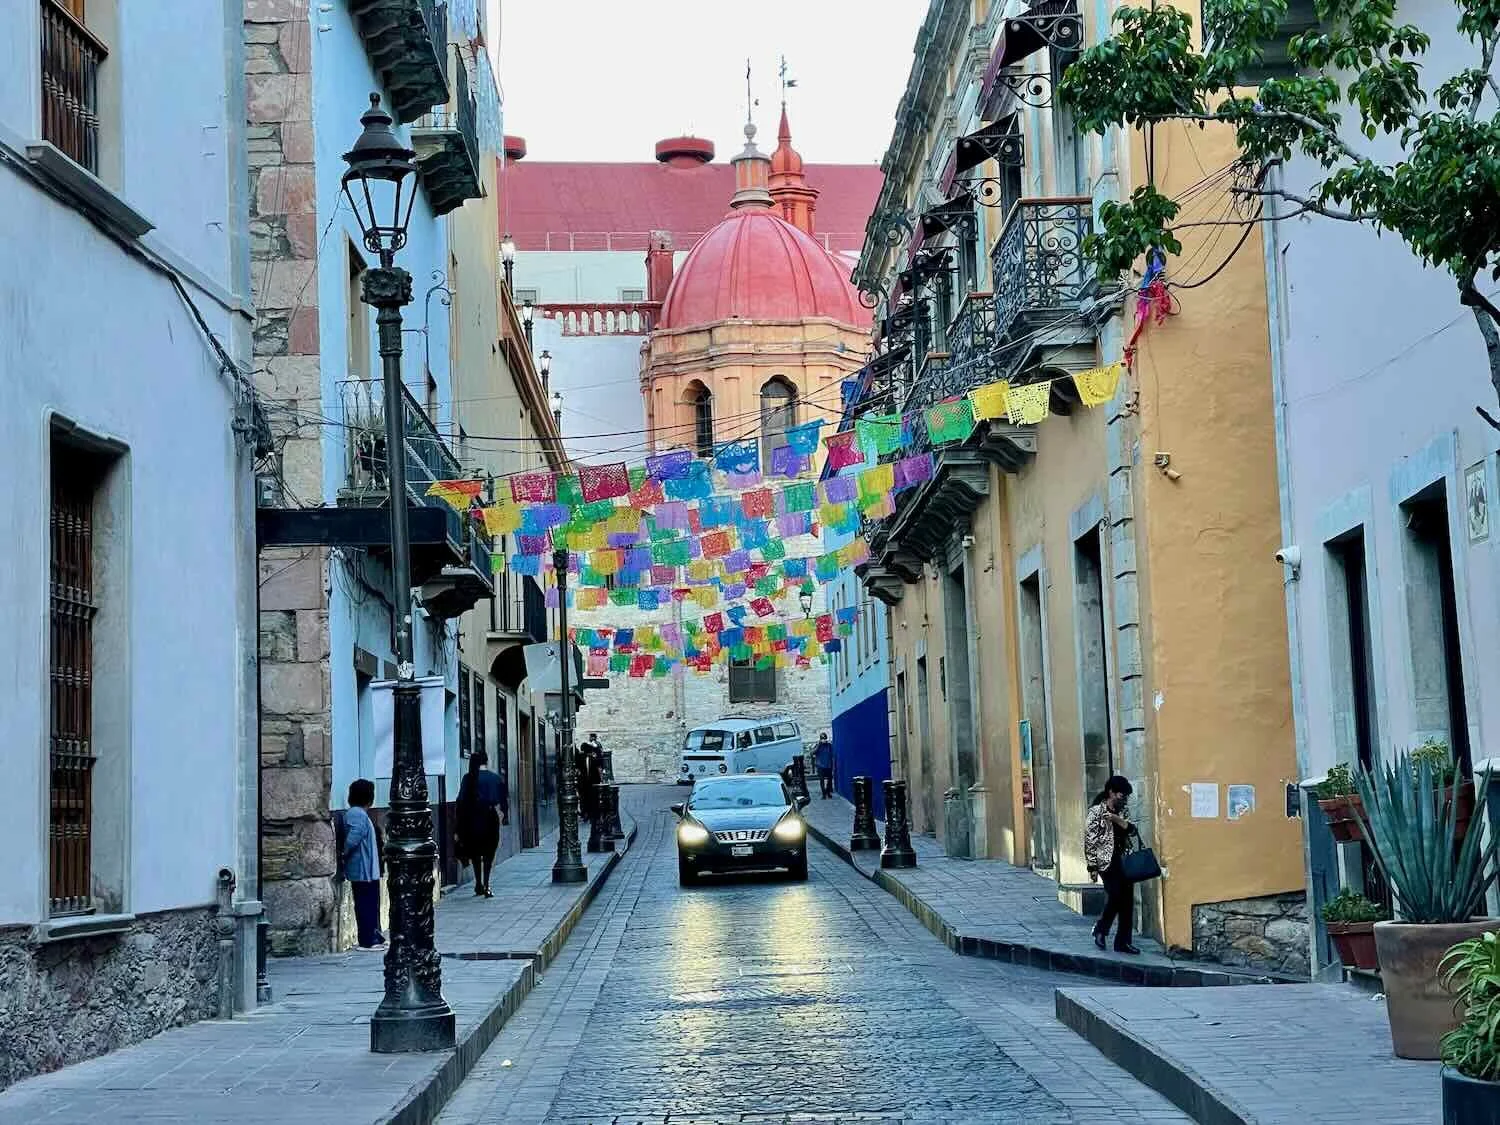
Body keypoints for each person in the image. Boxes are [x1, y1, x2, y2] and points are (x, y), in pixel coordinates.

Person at [1084, 774, 1141, 955]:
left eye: (1126, 796)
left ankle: (1123, 942)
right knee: (1115, 894)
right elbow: (1090, 842)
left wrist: (1117, 820)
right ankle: (1101, 929)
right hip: (1105, 862)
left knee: (1127, 901)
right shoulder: (1095, 812)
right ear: (1111, 792)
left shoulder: (1123, 811)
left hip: (1124, 859)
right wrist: (1092, 867)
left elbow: (1133, 831)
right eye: (1122, 795)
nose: (1124, 799)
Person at [342, 779, 385, 951]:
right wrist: (344, 852)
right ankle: (367, 940)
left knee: (370, 903)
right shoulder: (357, 814)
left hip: (367, 870)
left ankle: (374, 936)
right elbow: (354, 837)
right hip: (363, 870)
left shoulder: (358, 813)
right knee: (365, 904)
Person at [456, 751, 506, 897]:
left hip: (472, 818)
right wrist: (505, 815)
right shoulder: (495, 778)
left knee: (476, 853)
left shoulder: (468, 778)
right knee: (489, 852)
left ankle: (478, 883)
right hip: (490, 817)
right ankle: (487, 884)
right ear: (487, 761)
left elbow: (460, 800)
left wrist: (459, 825)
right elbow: (503, 799)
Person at [814, 733, 835, 799]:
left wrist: (833, 765)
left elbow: (832, 755)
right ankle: (823, 794)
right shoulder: (818, 745)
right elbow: (812, 752)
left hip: (828, 765)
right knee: (822, 780)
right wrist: (819, 745)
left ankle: (828, 792)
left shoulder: (829, 745)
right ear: (820, 739)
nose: (824, 740)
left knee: (829, 780)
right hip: (820, 766)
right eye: (822, 739)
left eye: (825, 739)